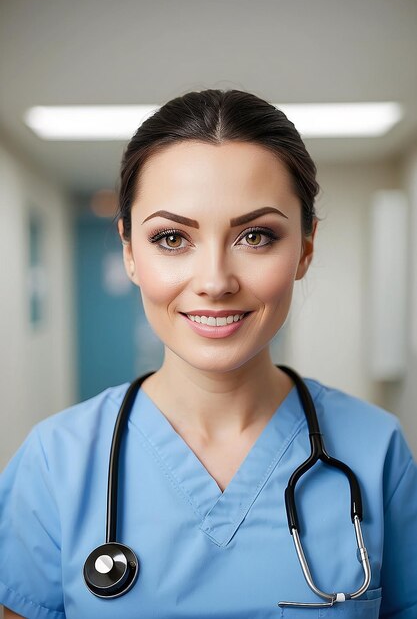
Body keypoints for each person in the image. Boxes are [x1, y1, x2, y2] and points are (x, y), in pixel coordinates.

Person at [1, 89, 416, 619]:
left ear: (305, 249)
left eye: (256, 236)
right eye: (172, 238)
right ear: (130, 251)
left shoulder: (376, 452)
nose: (215, 282)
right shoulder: (55, 462)